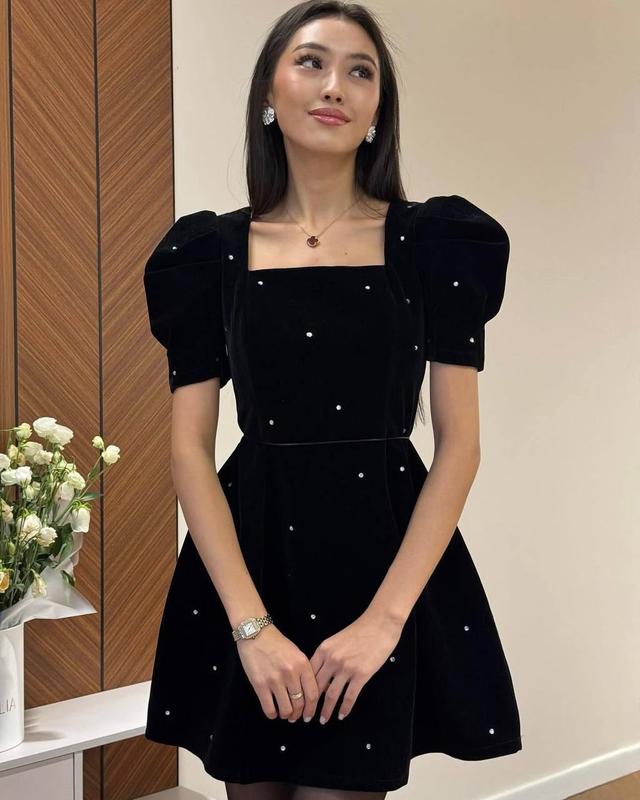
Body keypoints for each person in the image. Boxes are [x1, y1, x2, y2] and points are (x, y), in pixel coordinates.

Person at [142, 2, 522, 798]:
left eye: (360, 71)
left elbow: (460, 445)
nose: (334, 86)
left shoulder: (435, 244)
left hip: (381, 562)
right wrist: (250, 627)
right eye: (311, 62)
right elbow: (188, 451)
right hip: (251, 563)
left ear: (378, 109)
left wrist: (384, 623)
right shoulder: (207, 254)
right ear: (268, 92)